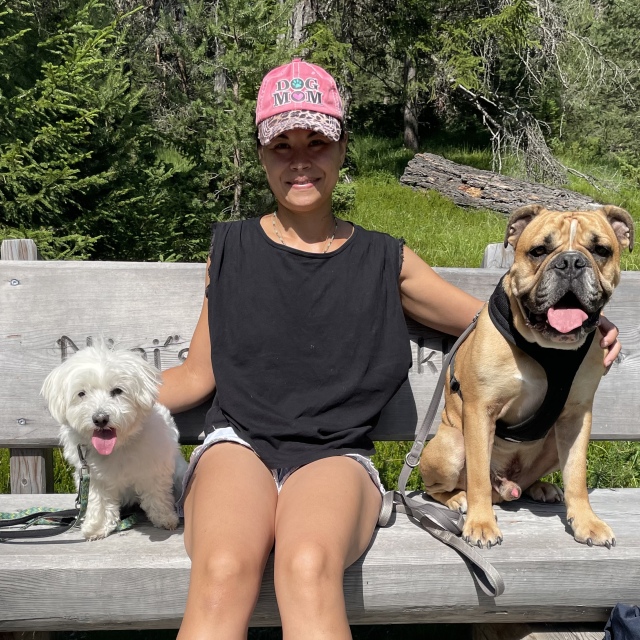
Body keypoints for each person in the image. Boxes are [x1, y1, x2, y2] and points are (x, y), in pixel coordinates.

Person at [158, 59, 621, 640]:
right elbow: (196, 376)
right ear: (261, 153)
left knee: (308, 566)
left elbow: (490, 321)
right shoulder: (232, 249)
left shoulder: (385, 259)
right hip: (238, 444)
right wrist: (98, 396)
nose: (300, 160)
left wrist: (575, 320)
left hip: (333, 455)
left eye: (317, 141)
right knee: (224, 568)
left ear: (342, 147)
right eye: (281, 145)